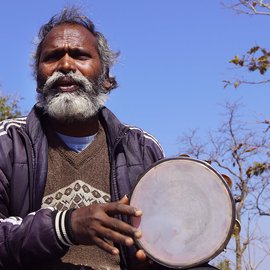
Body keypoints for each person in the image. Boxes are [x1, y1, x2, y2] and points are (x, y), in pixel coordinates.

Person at [0, 7, 218, 270]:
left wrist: (161, 257)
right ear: (38, 77)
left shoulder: (142, 148)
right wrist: (65, 227)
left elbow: (165, 234)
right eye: (53, 57)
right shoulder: (8, 143)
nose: (66, 65)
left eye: (80, 55)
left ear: (105, 78)